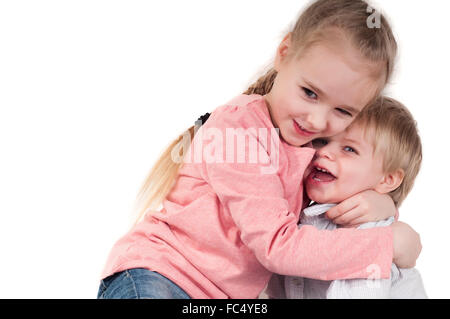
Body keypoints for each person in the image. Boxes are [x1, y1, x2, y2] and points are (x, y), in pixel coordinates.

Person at [97, 0, 421, 299]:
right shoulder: (238, 131)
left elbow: (336, 195)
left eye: (343, 112)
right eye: (309, 92)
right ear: (284, 52)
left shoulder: (310, 144)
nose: (317, 120)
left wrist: (382, 206)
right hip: (160, 276)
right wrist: (387, 243)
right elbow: (278, 247)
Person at [266, 96, 427, 299]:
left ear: (388, 179)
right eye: (322, 141)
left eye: (349, 149)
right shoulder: (302, 215)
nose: (323, 151)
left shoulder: (370, 235)